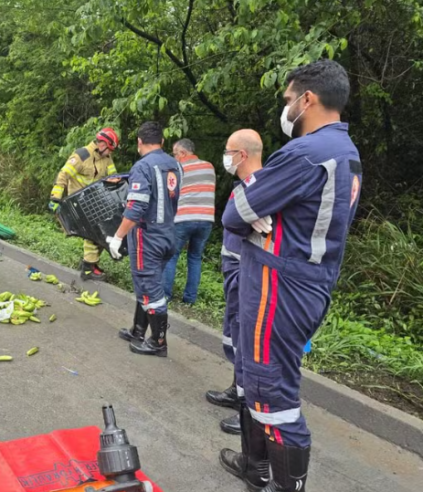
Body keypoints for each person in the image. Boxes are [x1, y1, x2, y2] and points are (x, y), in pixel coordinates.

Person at [219, 60, 362, 492]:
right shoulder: (345, 152)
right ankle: (254, 465)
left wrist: (251, 213)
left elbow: (234, 213)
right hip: (301, 282)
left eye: (288, 99)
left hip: (279, 287)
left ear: (308, 99)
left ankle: (282, 483)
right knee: (254, 375)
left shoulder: (306, 154)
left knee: (272, 391)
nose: (286, 108)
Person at [205, 129, 264, 437]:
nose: (225, 157)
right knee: (234, 331)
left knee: (245, 335)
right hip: (234, 267)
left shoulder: (262, 187)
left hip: (247, 271)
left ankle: (247, 408)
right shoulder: (244, 185)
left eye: (228, 151)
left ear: (242, 155)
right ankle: (237, 388)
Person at [110, 122, 181, 357]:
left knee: (149, 288)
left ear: (140, 142)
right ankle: (138, 330)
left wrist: (118, 237)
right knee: (147, 284)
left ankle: (158, 342)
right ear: (162, 142)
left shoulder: (143, 166)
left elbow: (136, 207)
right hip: (169, 234)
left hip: (147, 237)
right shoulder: (174, 165)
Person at [49, 128, 119, 281]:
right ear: (102, 145)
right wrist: (55, 197)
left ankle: (90, 264)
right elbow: (63, 174)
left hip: (94, 201)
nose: (110, 153)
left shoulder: (106, 159)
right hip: (77, 201)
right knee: (93, 233)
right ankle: (88, 268)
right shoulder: (82, 155)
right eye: (109, 149)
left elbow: (114, 176)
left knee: (101, 232)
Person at [162, 138, 216, 304]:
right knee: (195, 257)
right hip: (206, 219)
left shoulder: (177, 169)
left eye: (175, 153)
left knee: (171, 256)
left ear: (183, 153)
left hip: (183, 218)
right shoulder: (209, 167)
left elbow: (170, 194)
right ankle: (190, 299)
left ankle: (165, 296)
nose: (174, 157)